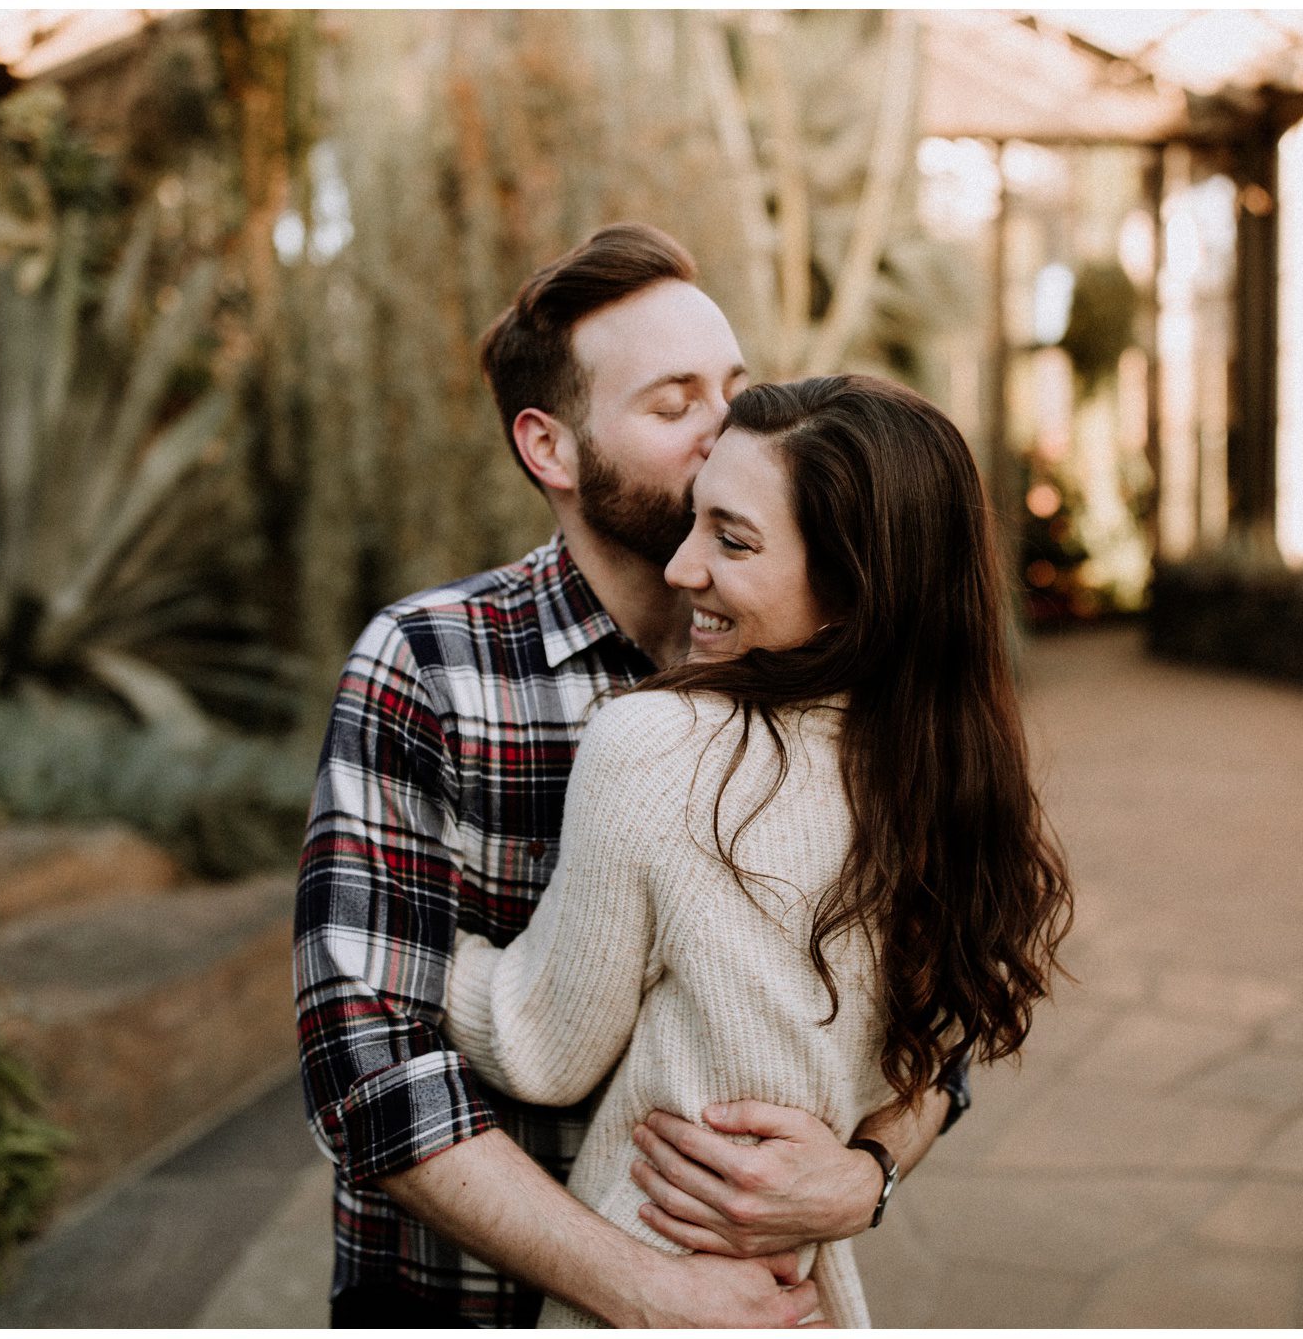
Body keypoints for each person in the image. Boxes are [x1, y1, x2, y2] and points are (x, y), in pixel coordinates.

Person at [294, 224, 971, 1329]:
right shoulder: (428, 664)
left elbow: (943, 1006)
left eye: (734, 386)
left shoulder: (844, 678)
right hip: (463, 1304)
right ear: (550, 448)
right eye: (673, 405)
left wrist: (866, 1169)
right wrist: (647, 1289)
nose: (727, 435)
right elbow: (365, 1069)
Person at [437, 374, 1074, 1327]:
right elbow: (941, 1055)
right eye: (697, 522)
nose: (683, 568)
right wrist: (871, 1172)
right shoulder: (949, 776)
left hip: (663, 1282)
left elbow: (544, 1049)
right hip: (799, 1300)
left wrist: (428, 959)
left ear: (859, 587)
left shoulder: (658, 746)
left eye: (732, 541)